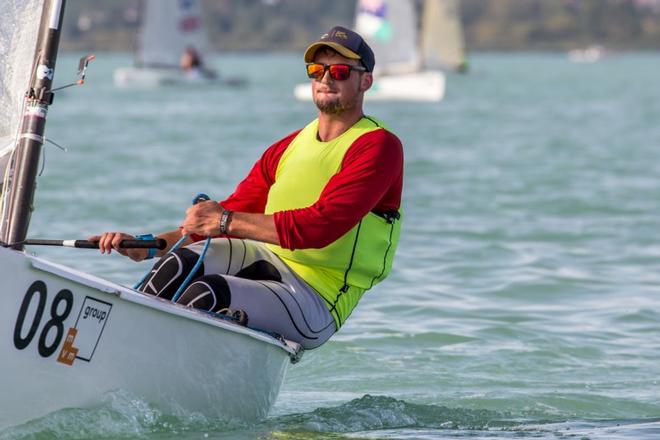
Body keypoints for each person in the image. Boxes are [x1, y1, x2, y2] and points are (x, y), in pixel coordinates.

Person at [92, 26, 403, 350]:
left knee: (205, 295)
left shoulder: (379, 147)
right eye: (317, 70)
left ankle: (150, 361)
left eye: (339, 71)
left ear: (365, 81)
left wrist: (224, 220)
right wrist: (150, 245)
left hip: (316, 296)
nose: (326, 79)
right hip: (264, 259)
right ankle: (116, 348)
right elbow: (227, 215)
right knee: (178, 264)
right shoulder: (287, 147)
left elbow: (319, 227)